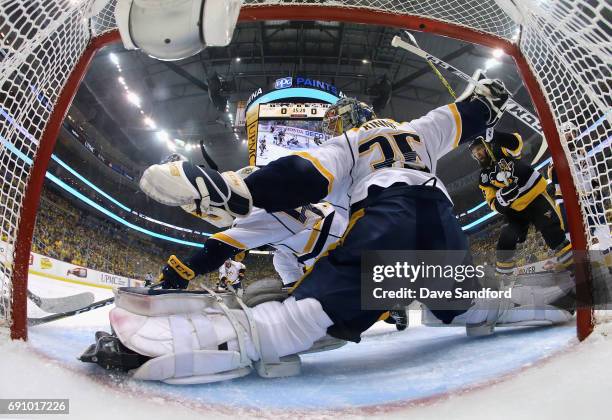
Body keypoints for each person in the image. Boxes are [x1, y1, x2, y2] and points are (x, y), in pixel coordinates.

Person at [86, 79, 570, 383]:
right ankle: (536, 301)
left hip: (388, 214)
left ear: (351, 123)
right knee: (451, 303)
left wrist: (237, 190)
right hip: (440, 216)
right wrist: (486, 97)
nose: (333, 125)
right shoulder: (423, 129)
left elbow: (301, 174)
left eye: (337, 121)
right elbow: (476, 111)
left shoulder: (349, 145)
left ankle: (198, 346)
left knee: (306, 309)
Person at [469, 130, 573, 276]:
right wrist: (502, 198)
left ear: (486, 145)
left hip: (534, 197)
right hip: (515, 209)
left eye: (479, 149)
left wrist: (494, 135)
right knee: (506, 238)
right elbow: (492, 202)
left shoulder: (500, 149)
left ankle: (576, 268)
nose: (477, 154)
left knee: (553, 233)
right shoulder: (483, 177)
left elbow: (516, 143)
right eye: (474, 153)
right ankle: (505, 279)